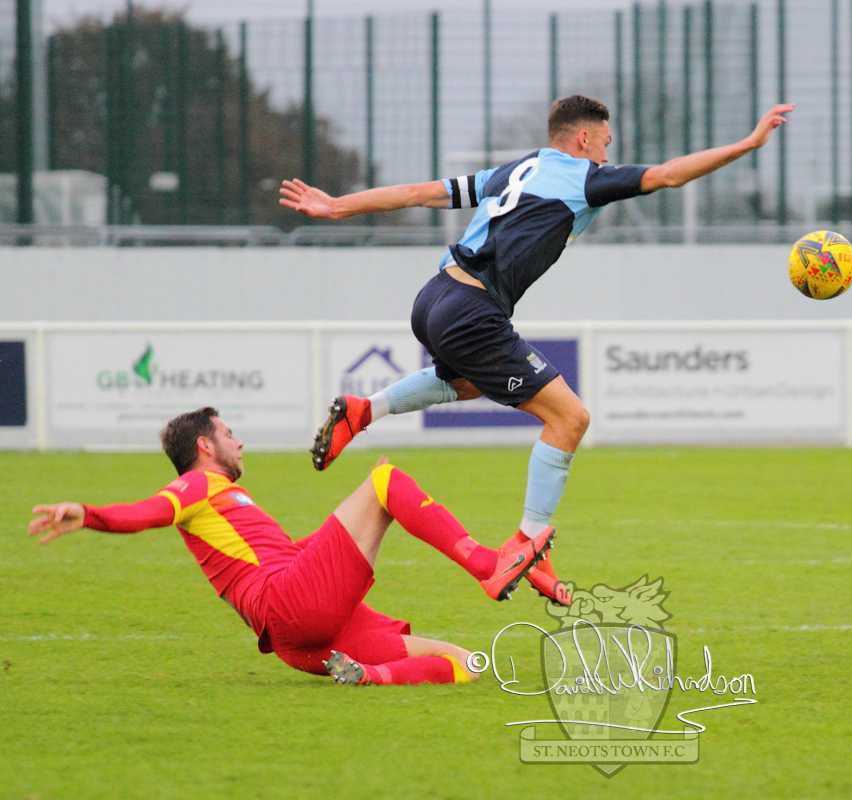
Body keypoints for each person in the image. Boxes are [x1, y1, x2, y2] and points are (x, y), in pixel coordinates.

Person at [278, 95, 793, 608]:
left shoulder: (512, 172)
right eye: (605, 144)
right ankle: (527, 544)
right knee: (570, 419)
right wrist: (748, 144)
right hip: (472, 310)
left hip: (433, 297)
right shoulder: (583, 177)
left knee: (470, 383)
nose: (608, 157)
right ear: (583, 138)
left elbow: (417, 193)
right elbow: (669, 175)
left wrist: (337, 206)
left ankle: (365, 411)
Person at [28, 407, 553, 685]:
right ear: (205, 446)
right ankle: (487, 566)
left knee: (464, 663)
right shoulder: (196, 484)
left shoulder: (224, 501)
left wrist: (359, 526)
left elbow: (287, 555)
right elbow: (147, 513)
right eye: (229, 434)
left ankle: (369, 677)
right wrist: (88, 514)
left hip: (298, 642)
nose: (239, 442)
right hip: (292, 606)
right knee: (386, 480)